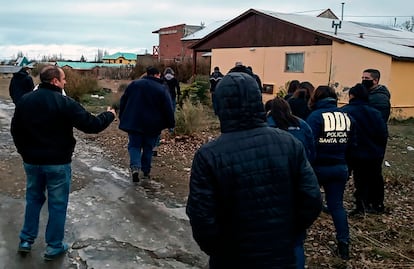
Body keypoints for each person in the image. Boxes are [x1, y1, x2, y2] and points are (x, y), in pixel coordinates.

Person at [186, 71, 322, 269]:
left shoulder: (209, 155)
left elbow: (201, 218)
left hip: (232, 259)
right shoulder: (289, 143)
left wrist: (220, 250)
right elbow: (311, 198)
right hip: (281, 255)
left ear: (220, 106)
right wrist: (288, 234)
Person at [10, 65, 116, 261]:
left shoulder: (25, 101)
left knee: (33, 199)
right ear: (55, 81)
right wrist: (109, 114)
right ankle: (53, 246)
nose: (66, 82)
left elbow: (15, 130)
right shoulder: (64, 103)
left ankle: (26, 240)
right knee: (57, 204)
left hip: (32, 162)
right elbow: (91, 125)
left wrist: (24, 152)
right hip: (57, 163)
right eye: (64, 78)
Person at [306, 85, 354, 260]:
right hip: (339, 166)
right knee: (337, 206)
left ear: (316, 98)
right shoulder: (347, 116)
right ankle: (344, 245)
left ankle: (299, 238)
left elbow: (309, 143)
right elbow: (352, 144)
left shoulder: (315, 116)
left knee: (306, 202)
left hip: (318, 167)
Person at [266, 97, 315, 269]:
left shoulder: (266, 127)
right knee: (296, 241)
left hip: (272, 186)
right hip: (298, 185)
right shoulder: (303, 125)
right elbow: (311, 151)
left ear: (270, 111)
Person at [119, 66, 175, 183]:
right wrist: (170, 124)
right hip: (153, 125)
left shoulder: (134, 84)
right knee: (148, 147)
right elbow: (168, 108)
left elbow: (123, 100)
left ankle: (135, 167)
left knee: (134, 146)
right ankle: (146, 171)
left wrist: (122, 116)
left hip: (134, 122)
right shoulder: (161, 89)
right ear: (157, 75)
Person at [342, 84, 388, 215]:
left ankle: (360, 206)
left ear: (352, 96)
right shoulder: (375, 113)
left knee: (358, 179)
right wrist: (379, 151)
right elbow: (383, 133)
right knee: (375, 178)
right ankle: (376, 204)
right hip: (374, 153)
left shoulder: (345, 111)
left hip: (354, 152)